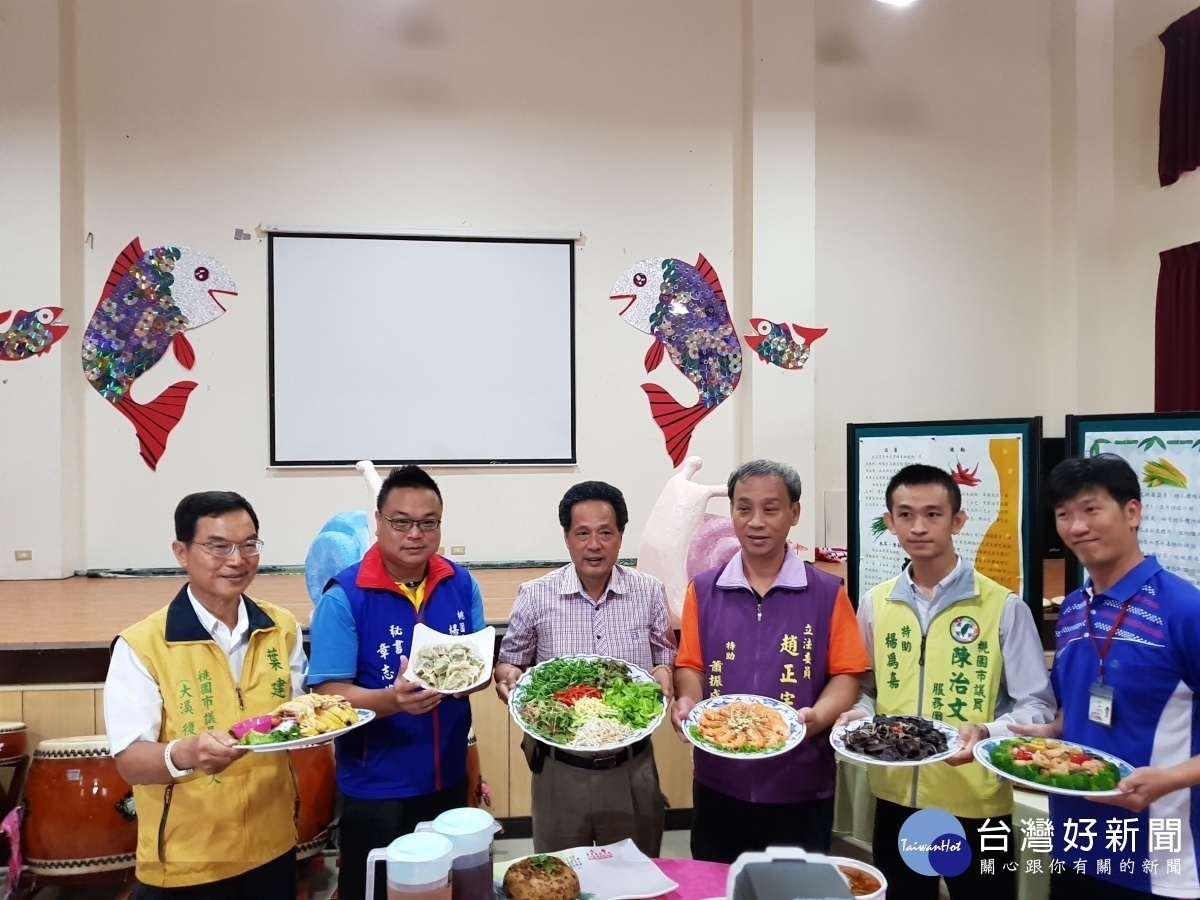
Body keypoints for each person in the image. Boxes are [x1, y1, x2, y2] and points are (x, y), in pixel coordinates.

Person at [837, 463, 1055, 900]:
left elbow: (1037, 706)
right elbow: (867, 688)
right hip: (895, 796)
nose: (918, 527)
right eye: (905, 514)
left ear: (958, 520)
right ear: (890, 522)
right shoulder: (876, 604)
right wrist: (859, 713)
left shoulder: (1003, 607)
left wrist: (987, 732)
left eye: (933, 514)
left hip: (976, 802)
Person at [1012, 454, 1200, 899]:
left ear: (1132, 512)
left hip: (1161, 861)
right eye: (1064, 514)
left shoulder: (1183, 610)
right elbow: (1078, 710)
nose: (1077, 526)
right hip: (1076, 842)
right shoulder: (1074, 608)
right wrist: (1047, 733)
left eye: (1092, 509)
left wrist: (1170, 779)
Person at [103, 492, 308, 897]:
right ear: (181, 552)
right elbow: (130, 761)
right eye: (218, 546)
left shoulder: (281, 627)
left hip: (275, 846)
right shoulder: (143, 644)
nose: (237, 559)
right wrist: (188, 752)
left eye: (249, 544)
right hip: (188, 861)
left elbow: (296, 713)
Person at [671, 459, 871, 863]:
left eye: (771, 508)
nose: (756, 521)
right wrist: (688, 702)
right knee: (719, 885)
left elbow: (847, 674)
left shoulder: (827, 592)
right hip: (718, 780)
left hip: (801, 780)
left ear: (794, 513)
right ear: (731, 513)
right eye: (744, 508)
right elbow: (691, 665)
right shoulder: (704, 590)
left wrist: (817, 716)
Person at [308, 466, 487, 900]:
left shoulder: (459, 583)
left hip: (447, 777)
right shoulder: (344, 596)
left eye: (428, 522)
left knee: (448, 889)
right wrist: (391, 700)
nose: (415, 533)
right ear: (377, 522)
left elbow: (477, 662)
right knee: (376, 891)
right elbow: (327, 694)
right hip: (377, 788)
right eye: (401, 521)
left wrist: (471, 680)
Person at [495, 481, 676, 856]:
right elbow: (511, 661)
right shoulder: (536, 594)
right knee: (561, 878)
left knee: (635, 877)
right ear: (567, 538)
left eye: (606, 533)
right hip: (559, 767)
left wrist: (664, 672)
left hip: (632, 765)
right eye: (583, 533)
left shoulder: (649, 591)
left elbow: (664, 655)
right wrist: (507, 676)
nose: (594, 545)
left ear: (621, 536)